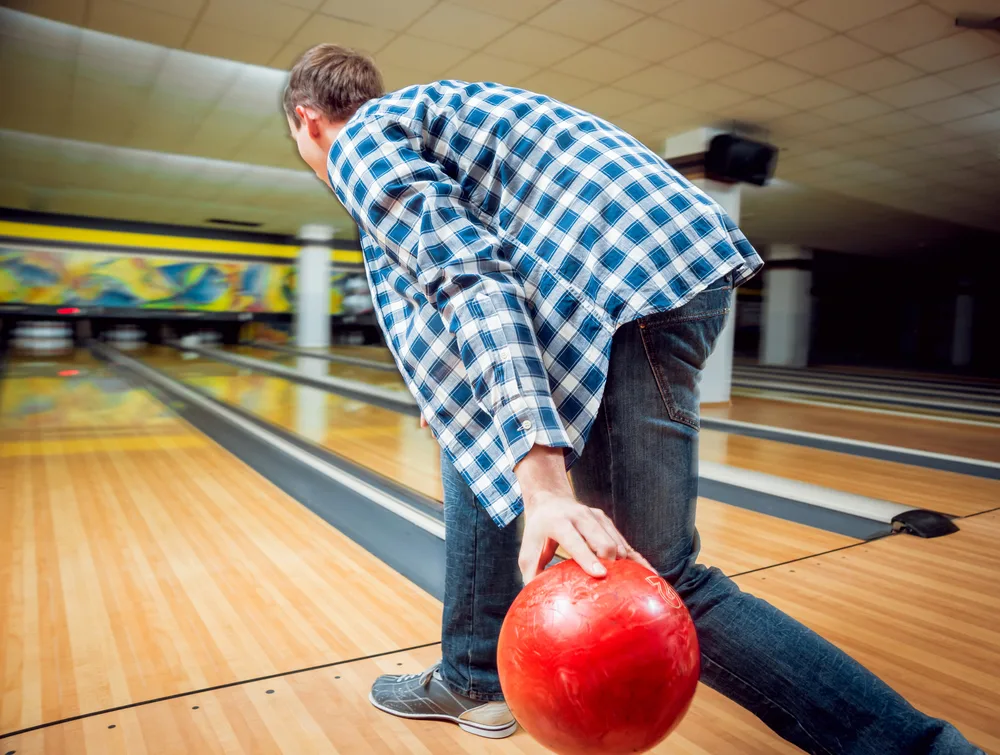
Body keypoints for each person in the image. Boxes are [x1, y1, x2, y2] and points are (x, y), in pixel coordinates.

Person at [282, 43, 982, 754]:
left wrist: (546, 482)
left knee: (662, 574)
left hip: (622, 300)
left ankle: (926, 750)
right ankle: (473, 675)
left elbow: (471, 279)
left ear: (308, 120)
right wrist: (486, 426)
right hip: (660, 275)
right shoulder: (439, 113)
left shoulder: (362, 142)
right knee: (481, 452)